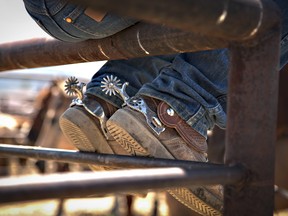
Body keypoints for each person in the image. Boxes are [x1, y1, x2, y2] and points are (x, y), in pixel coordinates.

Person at [22, 0, 288, 215]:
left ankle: (104, 102)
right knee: (275, 8)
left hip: (49, 10)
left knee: (196, 9)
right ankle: (177, 112)